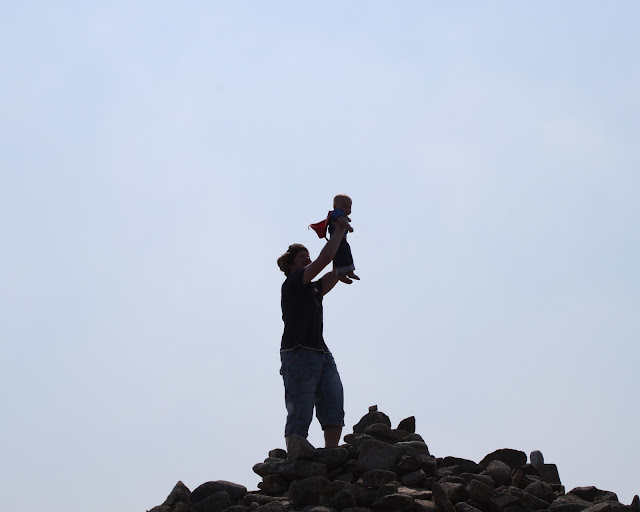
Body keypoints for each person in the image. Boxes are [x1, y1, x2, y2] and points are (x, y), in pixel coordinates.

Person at [276, 225, 350, 450]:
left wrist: (343, 243)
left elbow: (336, 270)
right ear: (291, 265)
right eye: (302, 256)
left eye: (308, 254)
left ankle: (331, 455)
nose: (307, 258)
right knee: (300, 411)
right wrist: (338, 231)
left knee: (333, 405)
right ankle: (295, 460)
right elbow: (325, 259)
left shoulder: (314, 288)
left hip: (320, 352)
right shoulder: (292, 282)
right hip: (298, 352)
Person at [328, 194, 359, 284]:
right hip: (337, 241)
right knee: (340, 256)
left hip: (341, 240)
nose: (346, 209)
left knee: (345, 255)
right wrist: (348, 227)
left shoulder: (341, 215)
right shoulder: (337, 213)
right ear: (335, 207)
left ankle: (349, 272)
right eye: (343, 207)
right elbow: (341, 221)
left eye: (349, 207)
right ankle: (341, 274)